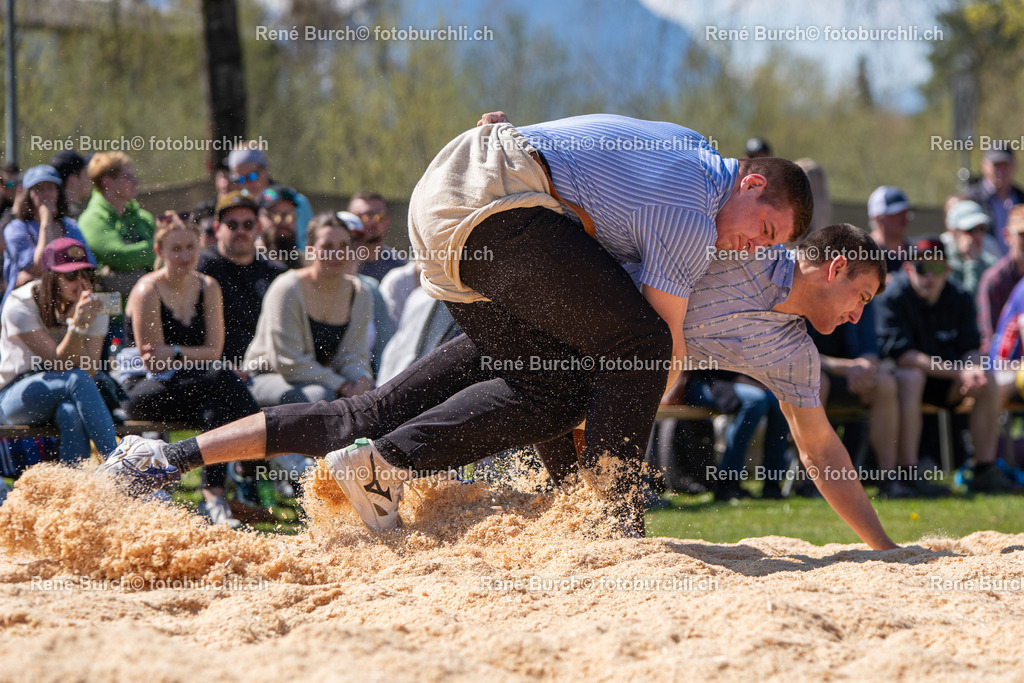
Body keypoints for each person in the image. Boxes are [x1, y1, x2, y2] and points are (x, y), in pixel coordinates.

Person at [104, 112, 813, 536]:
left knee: (387, 407)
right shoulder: (692, 210)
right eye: (765, 226)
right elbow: (654, 348)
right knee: (633, 348)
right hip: (495, 211)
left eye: (769, 246)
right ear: (750, 182)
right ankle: (608, 521)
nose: (754, 243)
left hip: (447, 217)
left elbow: (587, 155)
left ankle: (165, 459)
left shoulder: (683, 145)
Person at [98, 224, 902, 551]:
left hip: (560, 358)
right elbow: (610, 214)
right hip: (533, 313)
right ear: (835, 266)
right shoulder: (729, 242)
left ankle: (162, 460)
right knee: (374, 412)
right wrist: (511, 153)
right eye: (861, 295)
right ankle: (165, 459)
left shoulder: (792, 351)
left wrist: (885, 549)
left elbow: (820, 447)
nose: (858, 314)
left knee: (379, 413)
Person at [118, 213, 261, 526]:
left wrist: (177, 352)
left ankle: (213, 499)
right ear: (160, 252)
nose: (184, 256)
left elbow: (215, 350)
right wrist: (192, 357)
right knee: (221, 376)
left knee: (216, 408)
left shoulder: (208, 286)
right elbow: (153, 362)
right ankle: (262, 446)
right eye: (176, 249)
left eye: (190, 248)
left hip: (195, 385)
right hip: (142, 388)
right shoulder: (147, 291)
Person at [876, 237, 1017, 494]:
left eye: (938, 269)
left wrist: (973, 369)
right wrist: (960, 370)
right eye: (921, 268)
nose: (930, 276)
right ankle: (908, 473)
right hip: (902, 386)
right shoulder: (893, 297)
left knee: (987, 377)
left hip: (949, 383)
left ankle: (984, 469)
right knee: (911, 377)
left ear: (948, 270)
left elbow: (971, 347)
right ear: (908, 269)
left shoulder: (959, 296)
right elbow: (905, 357)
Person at [0, 238, 117, 463]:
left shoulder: (94, 305)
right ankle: (120, 463)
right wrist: (78, 327)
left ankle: (72, 488)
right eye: (71, 275)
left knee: (70, 412)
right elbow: (60, 364)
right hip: (14, 396)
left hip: (66, 391)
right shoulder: (19, 303)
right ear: (51, 278)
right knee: (76, 379)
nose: (81, 283)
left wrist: (81, 323)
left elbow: (90, 369)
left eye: (87, 274)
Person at [809, 302, 942, 498]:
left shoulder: (862, 298)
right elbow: (800, 352)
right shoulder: (814, 294)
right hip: (818, 373)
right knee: (816, 380)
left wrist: (865, 367)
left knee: (885, 384)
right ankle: (811, 480)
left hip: (853, 377)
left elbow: (870, 348)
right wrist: (847, 367)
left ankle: (888, 479)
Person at [244, 213, 373, 406]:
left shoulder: (361, 293)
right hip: (267, 376)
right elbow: (288, 362)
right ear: (311, 250)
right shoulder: (287, 288)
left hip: (325, 381)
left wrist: (362, 379)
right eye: (327, 247)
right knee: (319, 398)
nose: (336, 254)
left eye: (343, 246)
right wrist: (343, 385)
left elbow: (354, 355)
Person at [3, 165, 96, 307]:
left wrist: (41, 276)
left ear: (59, 193)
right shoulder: (16, 228)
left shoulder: (70, 226)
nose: (46, 194)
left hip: (66, 305)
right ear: (28, 194)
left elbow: (86, 267)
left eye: (51, 188)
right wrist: (46, 222)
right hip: (26, 306)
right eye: (39, 189)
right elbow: (41, 266)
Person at [77, 152, 156, 305]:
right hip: (113, 317)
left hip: (148, 306)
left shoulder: (143, 218)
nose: (135, 182)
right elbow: (121, 257)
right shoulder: (92, 220)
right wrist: (157, 248)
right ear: (107, 182)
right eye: (128, 177)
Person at [226, 147, 313, 252]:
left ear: (265, 170)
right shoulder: (237, 205)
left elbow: (306, 247)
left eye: (252, 176)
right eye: (240, 179)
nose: (247, 183)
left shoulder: (296, 202)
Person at [978, 206, 1024, 351]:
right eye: (1022, 234)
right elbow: (989, 339)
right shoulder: (994, 280)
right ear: (1007, 236)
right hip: (1005, 364)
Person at [967, 146, 1024, 253]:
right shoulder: (972, 199)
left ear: (1014, 166)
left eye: (1004, 165)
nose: (1000, 171)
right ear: (984, 165)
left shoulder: (1021, 197)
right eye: (996, 165)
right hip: (983, 267)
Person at [942, 199, 999, 297]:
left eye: (981, 228)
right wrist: (971, 263)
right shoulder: (946, 265)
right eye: (970, 230)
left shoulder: (991, 262)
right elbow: (966, 302)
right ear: (954, 232)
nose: (977, 235)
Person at [349, 192, 406, 282]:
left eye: (378, 216)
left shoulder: (399, 266)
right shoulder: (337, 264)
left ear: (387, 220)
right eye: (361, 217)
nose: (370, 222)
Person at [867, 185, 914, 277]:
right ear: (878, 218)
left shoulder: (915, 250)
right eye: (897, 214)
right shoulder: (863, 252)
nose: (904, 219)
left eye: (906, 213)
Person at [257, 185, 302, 268]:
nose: (283, 223)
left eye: (290, 216)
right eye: (274, 215)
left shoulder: (305, 264)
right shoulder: (245, 262)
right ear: (257, 221)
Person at [49, 150, 91, 219]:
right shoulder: (77, 218)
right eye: (86, 175)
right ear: (72, 180)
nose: (89, 180)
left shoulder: (52, 214)